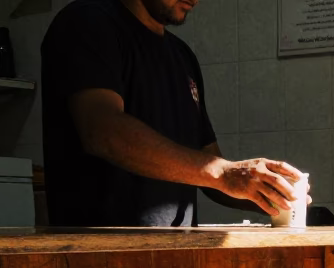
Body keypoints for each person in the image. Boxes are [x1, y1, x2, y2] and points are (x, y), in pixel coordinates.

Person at [40, 0, 303, 227]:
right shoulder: (87, 23)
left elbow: (207, 163)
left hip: (175, 257)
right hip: (99, 260)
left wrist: (266, 192)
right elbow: (102, 131)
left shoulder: (182, 55)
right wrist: (225, 174)